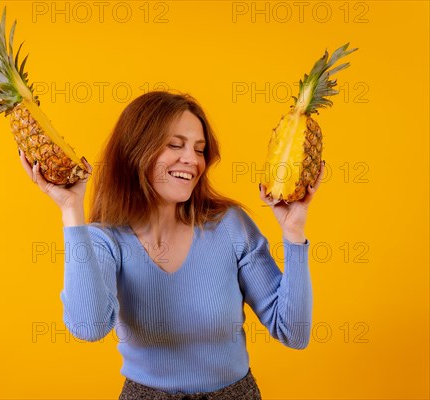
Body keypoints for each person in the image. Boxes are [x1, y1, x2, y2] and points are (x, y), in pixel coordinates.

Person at [19, 91, 324, 400]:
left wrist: (294, 232)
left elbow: (293, 332)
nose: (192, 160)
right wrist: (71, 209)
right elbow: (88, 326)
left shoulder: (231, 227)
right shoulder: (106, 239)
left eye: (200, 149)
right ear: (136, 151)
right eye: (175, 145)